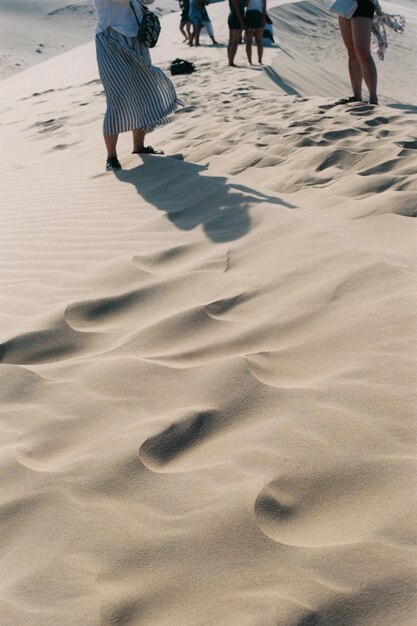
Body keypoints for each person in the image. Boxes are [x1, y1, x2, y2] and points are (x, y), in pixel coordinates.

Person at [92, 0, 181, 170]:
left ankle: (139, 147)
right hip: (110, 40)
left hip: (137, 37)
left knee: (145, 91)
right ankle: (111, 158)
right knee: (117, 97)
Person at [337, 0, 378, 105]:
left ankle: (373, 99)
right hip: (344, 2)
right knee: (351, 51)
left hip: (364, 3)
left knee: (362, 51)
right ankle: (356, 96)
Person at [245, 0, 266, 64]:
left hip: (257, 13)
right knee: (249, 40)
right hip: (250, 13)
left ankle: (260, 60)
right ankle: (250, 60)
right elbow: (245, 4)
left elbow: (264, 5)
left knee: (258, 40)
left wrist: (263, 16)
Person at [228, 0, 246, 66]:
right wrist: (241, 22)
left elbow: (244, 4)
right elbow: (236, 9)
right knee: (235, 41)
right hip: (236, 17)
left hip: (233, 16)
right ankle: (231, 62)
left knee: (231, 41)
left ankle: (230, 60)